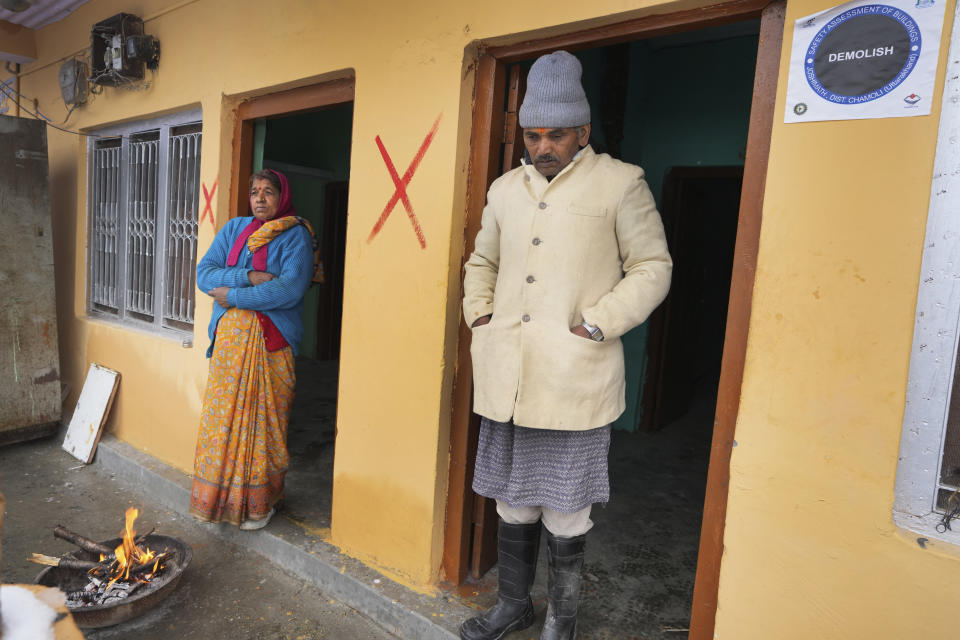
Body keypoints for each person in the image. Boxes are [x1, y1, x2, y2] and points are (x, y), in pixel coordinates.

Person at [460, 51, 672, 640]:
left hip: (574, 376)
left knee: (566, 507)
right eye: (534, 135)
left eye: (557, 134)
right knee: (511, 501)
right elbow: (482, 260)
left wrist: (598, 323)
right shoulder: (506, 189)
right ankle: (512, 606)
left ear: (582, 131)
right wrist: (479, 313)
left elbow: (653, 266)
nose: (544, 146)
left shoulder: (620, 182)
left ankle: (562, 617)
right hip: (509, 376)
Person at [190, 169, 320, 531]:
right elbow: (204, 274)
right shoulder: (233, 229)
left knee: (266, 426)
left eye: (268, 192)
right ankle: (220, 502)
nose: (260, 198)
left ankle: (262, 504)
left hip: (272, 346)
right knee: (224, 425)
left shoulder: (295, 237)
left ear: (283, 197)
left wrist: (231, 296)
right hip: (229, 351)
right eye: (254, 192)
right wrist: (245, 277)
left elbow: (287, 291)